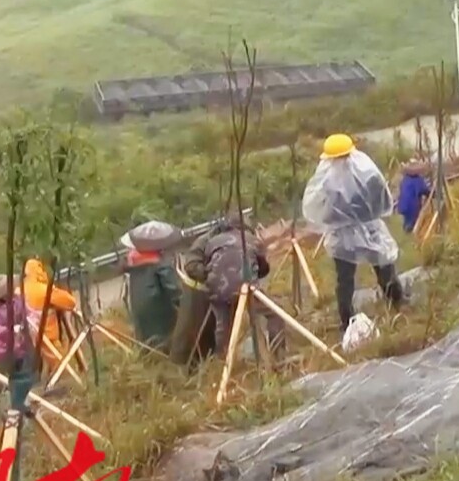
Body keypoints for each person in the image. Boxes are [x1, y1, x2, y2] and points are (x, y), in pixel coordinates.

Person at [304, 133, 405, 329]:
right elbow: (382, 201)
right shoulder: (367, 174)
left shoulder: (327, 183)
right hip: (371, 230)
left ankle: (347, 320)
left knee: (345, 279)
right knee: (384, 265)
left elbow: (322, 212)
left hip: (342, 237)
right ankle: (397, 303)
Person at [184, 216, 287, 360]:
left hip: (217, 289)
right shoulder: (252, 240)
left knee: (223, 325)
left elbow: (206, 262)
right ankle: (278, 353)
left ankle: (224, 360)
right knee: (274, 314)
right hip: (247, 288)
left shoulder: (212, 241)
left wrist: (211, 277)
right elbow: (264, 268)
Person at [119, 220, 184, 351]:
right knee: (166, 341)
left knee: (148, 344)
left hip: (140, 315)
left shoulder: (133, 262)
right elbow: (175, 292)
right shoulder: (161, 265)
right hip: (160, 314)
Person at [20, 258, 78, 374]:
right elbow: (70, 302)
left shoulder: (19, 290)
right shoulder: (45, 290)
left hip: (26, 337)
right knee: (61, 368)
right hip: (46, 336)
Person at [396, 162, 433, 234]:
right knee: (411, 223)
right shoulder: (418, 180)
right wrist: (434, 193)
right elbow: (424, 190)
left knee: (406, 221)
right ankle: (410, 233)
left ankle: (405, 233)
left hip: (403, 204)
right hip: (412, 206)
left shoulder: (405, 179)